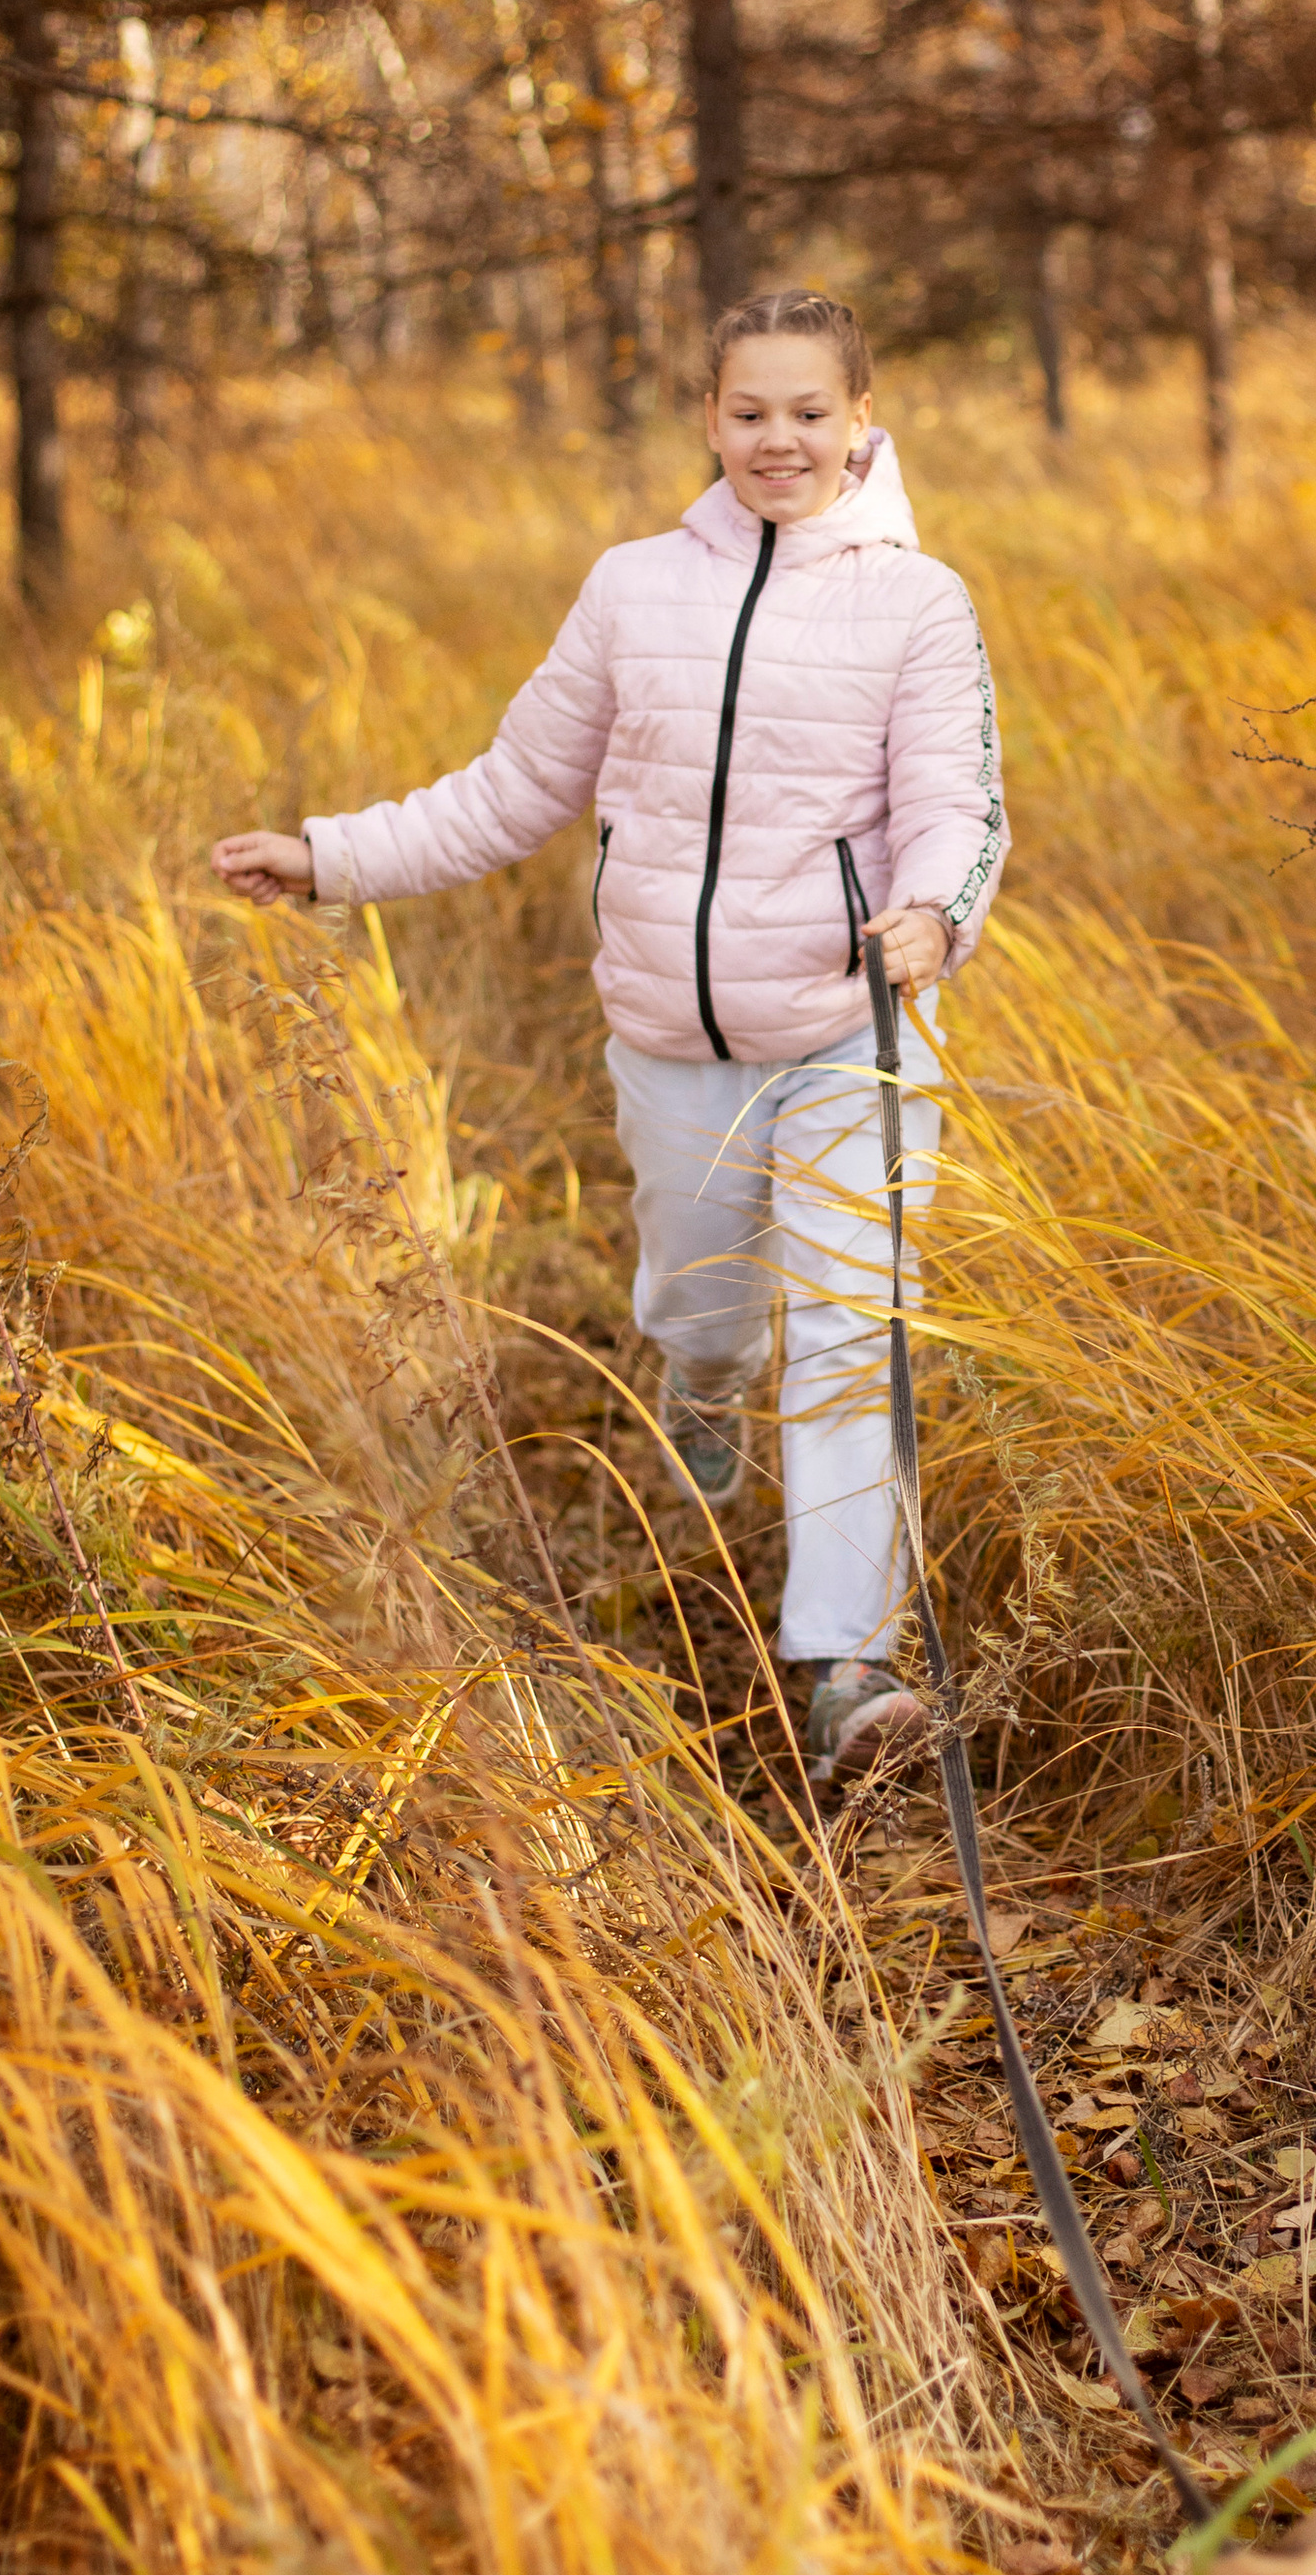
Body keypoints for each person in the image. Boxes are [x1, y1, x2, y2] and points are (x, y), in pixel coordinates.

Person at [211, 286, 1008, 1782]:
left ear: (861, 419)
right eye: (750, 412)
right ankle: (705, 1379)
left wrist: (931, 916)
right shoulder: (634, 589)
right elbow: (511, 788)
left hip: (848, 1030)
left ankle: (851, 1666)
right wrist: (329, 856)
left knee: (853, 1330)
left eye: (810, 412)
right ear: (709, 419)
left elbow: (957, 807)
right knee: (704, 1306)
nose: (780, 439)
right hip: (670, 1039)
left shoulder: (919, 601)